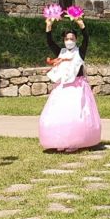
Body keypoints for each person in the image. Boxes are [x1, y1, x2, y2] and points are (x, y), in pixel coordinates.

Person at [39, 17, 101, 151]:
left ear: (76, 40)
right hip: (63, 87)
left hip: (77, 87)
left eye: (72, 39)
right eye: (67, 39)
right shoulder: (61, 52)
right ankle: (60, 140)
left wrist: (81, 25)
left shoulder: (80, 52)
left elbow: (87, 39)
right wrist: (48, 26)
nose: (69, 41)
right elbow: (50, 42)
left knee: (76, 113)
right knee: (61, 112)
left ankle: (76, 140)